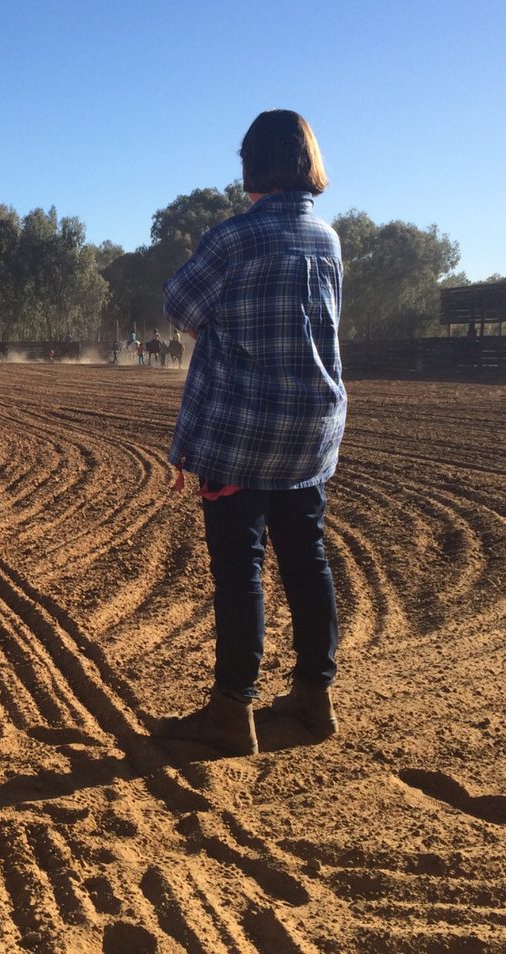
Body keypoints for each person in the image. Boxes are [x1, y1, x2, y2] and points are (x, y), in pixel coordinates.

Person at [155, 109, 346, 757]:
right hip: (312, 430)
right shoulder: (329, 240)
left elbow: (180, 307)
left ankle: (232, 709)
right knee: (307, 557)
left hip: (244, 432)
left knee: (242, 571)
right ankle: (314, 696)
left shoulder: (232, 238)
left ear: (249, 165)